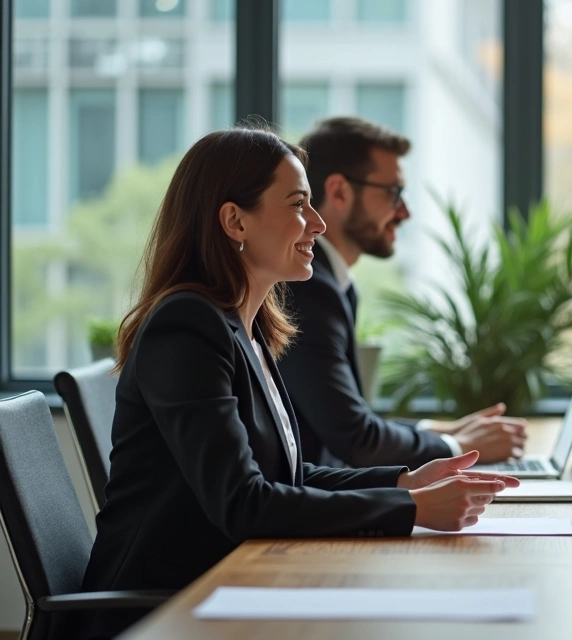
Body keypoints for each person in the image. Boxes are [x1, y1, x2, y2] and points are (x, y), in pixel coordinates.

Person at [79, 126, 519, 638]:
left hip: (226, 585)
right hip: (163, 610)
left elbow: (284, 476)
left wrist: (404, 481)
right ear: (234, 220)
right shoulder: (187, 327)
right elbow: (244, 504)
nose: (317, 223)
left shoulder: (247, 326)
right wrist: (411, 508)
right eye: (297, 205)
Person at [279, 116, 526, 469]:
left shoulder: (329, 283)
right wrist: (457, 446)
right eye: (393, 193)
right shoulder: (308, 289)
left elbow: (345, 417)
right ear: (339, 192)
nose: (405, 211)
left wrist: (438, 430)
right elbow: (354, 439)